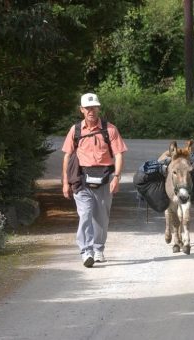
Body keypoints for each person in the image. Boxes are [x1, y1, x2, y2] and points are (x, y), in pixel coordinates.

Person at [62, 93, 128, 268]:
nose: (91, 111)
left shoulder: (110, 129)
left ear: (98, 108)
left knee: (101, 218)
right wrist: (65, 182)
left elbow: (119, 155)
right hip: (81, 179)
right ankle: (86, 252)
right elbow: (67, 156)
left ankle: (99, 249)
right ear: (81, 110)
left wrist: (117, 177)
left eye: (94, 107)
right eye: (88, 108)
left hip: (104, 179)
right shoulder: (75, 130)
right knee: (85, 214)